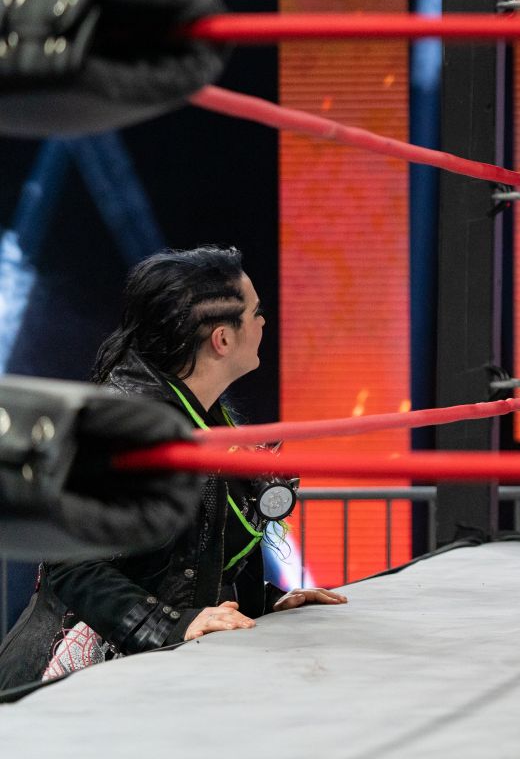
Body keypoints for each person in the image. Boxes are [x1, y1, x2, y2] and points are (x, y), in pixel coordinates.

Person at [0, 246, 345, 690]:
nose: (264, 322)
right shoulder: (130, 422)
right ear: (222, 339)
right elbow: (71, 565)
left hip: (143, 672)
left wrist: (263, 604)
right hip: (69, 679)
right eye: (256, 312)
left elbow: (192, 562)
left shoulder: (204, 416)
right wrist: (166, 626)